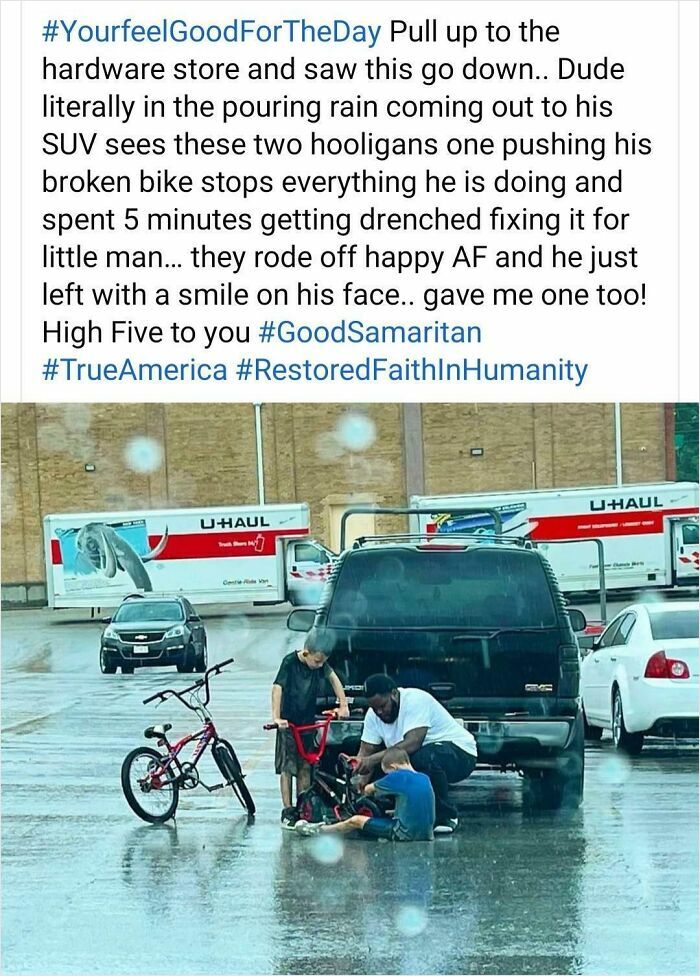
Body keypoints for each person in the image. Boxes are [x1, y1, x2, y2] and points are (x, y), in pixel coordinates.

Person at [353, 674, 478, 834]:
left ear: (393, 693)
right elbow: (366, 751)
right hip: (415, 754)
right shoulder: (373, 715)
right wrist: (361, 779)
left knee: (424, 759)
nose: (380, 712)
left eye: (383, 706)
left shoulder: (415, 700)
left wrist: (371, 760)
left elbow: (413, 742)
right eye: (375, 709)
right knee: (382, 770)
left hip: (460, 753)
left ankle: (446, 815)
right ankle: (395, 809)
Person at [271, 634, 349, 829]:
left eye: (323, 662)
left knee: (305, 765)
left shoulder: (320, 664)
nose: (319, 665)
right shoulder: (290, 662)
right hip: (288, 723)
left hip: (307, 722)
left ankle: (303, 805)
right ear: (306, 653)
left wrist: (343, 705)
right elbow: (277, 688)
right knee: (287, 767)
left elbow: (334, 679)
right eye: (317, 661)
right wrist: (276, 717)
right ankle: (288, 809)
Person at [295, 748, 435, 841]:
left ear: (394, 767)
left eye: (387, 773)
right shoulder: (425, 778)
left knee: (356, 820)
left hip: (404, 834)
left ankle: (318, 830)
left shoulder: (397, 776)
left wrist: (362, 785)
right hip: (427, 835)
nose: (388, 776)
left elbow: (368, 789)